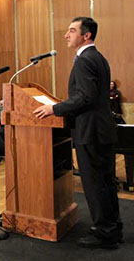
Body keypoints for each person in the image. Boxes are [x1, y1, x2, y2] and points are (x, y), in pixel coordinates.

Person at [34, 17, 122, 249]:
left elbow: (85, 97)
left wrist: (54, 108)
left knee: (95, 184)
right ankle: (112, 228)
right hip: (101, 130)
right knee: (105, 182)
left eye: (72, 31)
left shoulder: (84, 60)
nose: (66, 35)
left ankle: (104, 232)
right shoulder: (98, 58)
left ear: (86, 35)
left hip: (91, 132)